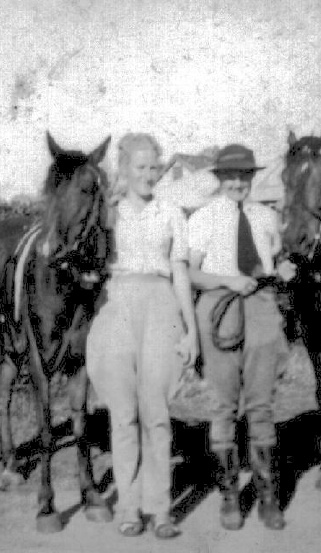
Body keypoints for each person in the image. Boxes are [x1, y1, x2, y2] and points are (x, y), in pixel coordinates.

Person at [85, 133, 198, 540]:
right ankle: (129, 508)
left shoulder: (172, 212)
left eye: (155, 167)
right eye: (141, 167)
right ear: (125, 169)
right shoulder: (108, 213)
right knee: (124, 412)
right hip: (116, 305)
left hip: (161, 304)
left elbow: (181, 273)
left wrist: (191, 330)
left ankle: (162, 509)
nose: (149, 174)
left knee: (156, 412)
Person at [187, 144, 296, 531]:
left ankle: (268, 497)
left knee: (262, 403)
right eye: (230, 176)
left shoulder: (266, 216)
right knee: (223, 404)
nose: (238, 182)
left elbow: (278, 258)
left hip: (262, 305)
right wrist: (228, 280)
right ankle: (230, 497)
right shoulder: (202, 218)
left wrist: (283, 268)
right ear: (219, 179)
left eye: (245, 175)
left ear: (252, 177)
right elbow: (192, 274)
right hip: (219, 308)